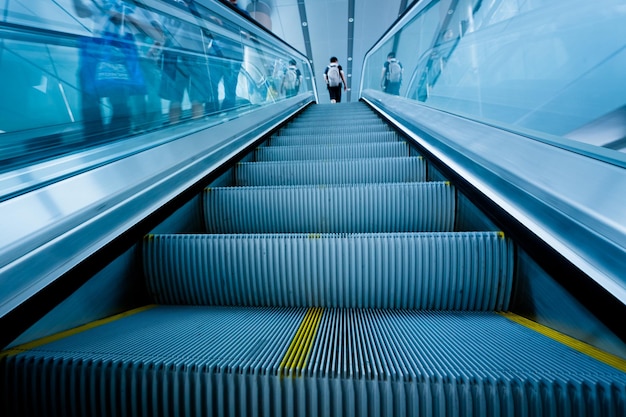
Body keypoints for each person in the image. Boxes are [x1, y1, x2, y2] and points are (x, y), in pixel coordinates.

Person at [72, 0, 163, 138]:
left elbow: (159, 36)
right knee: (89, 96)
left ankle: (118, 139)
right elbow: (82, 12)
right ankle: (93, 140)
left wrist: (127, 19)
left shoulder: (145, 5)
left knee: (120, 102)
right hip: (98, 53)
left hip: (127, 57)